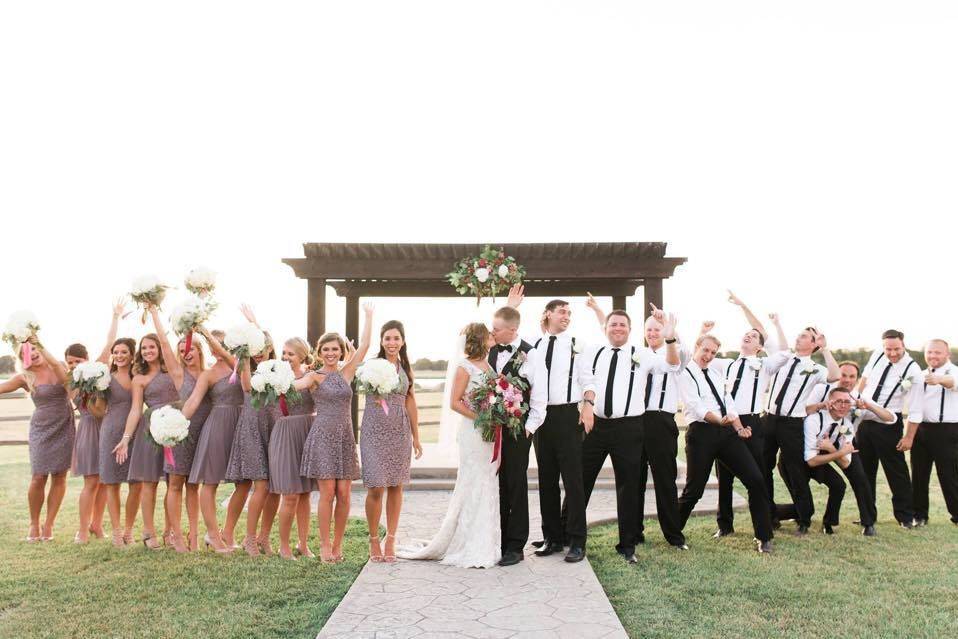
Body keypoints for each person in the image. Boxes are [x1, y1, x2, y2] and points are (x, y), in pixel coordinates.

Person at [585, 295, 689, 549]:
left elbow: (677, 361)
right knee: (634, 480)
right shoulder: (635, 354)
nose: (654, 333)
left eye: (658, 329)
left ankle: (673, 535)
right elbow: (610, 329)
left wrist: (671, 332)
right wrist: (600, 310)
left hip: (660, 421)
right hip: (633, 421)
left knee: (665, 479)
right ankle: (634, 532)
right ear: (642, 333)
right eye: (650, 330)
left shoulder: (669, 353)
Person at [398, 323, 503, 568]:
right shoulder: (464, 366)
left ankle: (485, 542)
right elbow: (455, 403)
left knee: (487, 480)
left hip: (488, 432)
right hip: (474, 431)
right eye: (489, 334)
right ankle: (469, 544)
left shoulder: (487, 364)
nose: (493, 336)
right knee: (473, 480)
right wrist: (482, 417)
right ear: (480, 339)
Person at [507, 288, 590, 563]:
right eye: (562, 311)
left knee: (573, 482)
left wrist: (588, 404)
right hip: (541, 417)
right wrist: (512, 306)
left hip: (569, 416)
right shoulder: (534, 344)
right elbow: (510, 335)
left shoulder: (577, 344)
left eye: (569, 313)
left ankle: (577, 540)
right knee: (546, 480)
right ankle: (552, 537)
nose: (566, 316)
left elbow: (589, 381)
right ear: (548, 315)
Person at [676, 334, 773, 553]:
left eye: (713, 353)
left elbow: (728, 402)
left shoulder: (716, 373)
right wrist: (720, 421)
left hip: (727, 432)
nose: (709, 356)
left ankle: (764, 537)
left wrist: (739, 428)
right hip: (701, 433)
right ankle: (673, 531)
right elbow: (696, 406)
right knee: (694, 490)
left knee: (756, 479)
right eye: (706, 350)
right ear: (697, 347)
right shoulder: (686, 373)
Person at [707, 291, 786, 538]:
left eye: (753, 337)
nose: (748, 336)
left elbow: (778, 346)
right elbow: (699, 355)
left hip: (751, 422)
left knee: (757, 477)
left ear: (760, 347)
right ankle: (725, 525)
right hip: (726, 423)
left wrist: (743, 306)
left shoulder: (765, 365)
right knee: (725, 479)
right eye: (746, 335)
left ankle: (762, 528)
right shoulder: (724, 364)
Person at [301, 303, 374, 562]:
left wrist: (368, 316)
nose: (331, 353)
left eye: (335, 349)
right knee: (328, 493)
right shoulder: (314, 377)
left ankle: (338, 546)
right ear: (319, 352)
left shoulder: (346, 374)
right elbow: (294, 385)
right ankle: (323, 545)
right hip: (322, 437)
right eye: (326, 349)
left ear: (341, 352)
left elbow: (364, 345)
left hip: (344, 437)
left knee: (344, 494)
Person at [763, 326, 839, 534]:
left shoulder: (815, 368)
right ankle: (769, 516)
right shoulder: (783, 358)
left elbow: (835, 376)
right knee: (763, 468)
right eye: (799, 334)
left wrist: (825, 349)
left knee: (796, 470)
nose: (799, 337)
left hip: (792, 424)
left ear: (814, 343)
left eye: (805, 336)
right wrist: (777, 323)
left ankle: (804, 518)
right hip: (769, 419)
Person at [359, 321, 423, 563]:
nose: (392, 343)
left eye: (396, 338)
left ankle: (392, 539)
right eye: (388, 338)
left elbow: (410, 401)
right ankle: (374, 538)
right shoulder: (370, 366)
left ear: (403, 341)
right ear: (381, 341)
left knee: (396, 485)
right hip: (374, 430)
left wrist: (416, 436)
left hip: (399, 431)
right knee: (376, 486)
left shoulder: (406, 367)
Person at [488, 305, 547, 566]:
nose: (492, 332)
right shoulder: (488, 348)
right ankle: (495, 539)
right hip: (488, 427)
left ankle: (515, 545)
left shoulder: (531, 355)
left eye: (497, 329)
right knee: (492, 484)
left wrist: (529, 427)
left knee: (515, 483)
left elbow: (540, 395)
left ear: (512, 330)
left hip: (517, 428)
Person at [0, 336, 72, 542]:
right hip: (41, 429)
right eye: (27, 351)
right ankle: (34, 524)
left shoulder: (59, 367)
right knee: (38, 476)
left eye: (34, 348)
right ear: (22, 356)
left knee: (60, 476)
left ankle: (48, 525)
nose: (32, 353)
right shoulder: (25, 377)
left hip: (64, 426)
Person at [855, 330, 924, 528]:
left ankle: (905, 517)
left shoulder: (913, 371)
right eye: (888, 349)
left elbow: (916, 408)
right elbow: (865, 378)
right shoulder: (877, 354)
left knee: (896, 472)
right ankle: (867, 515)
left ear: (904, 345)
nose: (892, 353)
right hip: (864, 420)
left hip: (889, 423)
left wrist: (909, 437)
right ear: (883, 346)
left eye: (896, 349)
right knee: (864, 471)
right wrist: (854, 400)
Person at [804, 386, 893, 536]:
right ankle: (799, 515)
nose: (843, 405)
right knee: (803, 481)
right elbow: (803, 411)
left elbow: (891, 418)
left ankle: (867, 523)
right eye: (839, 401)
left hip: (840, 445)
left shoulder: (855, 409)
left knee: (859, 478)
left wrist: (833, 449)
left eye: (852, 376)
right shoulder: (820, 390)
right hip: (812, 446)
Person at [901, 339, 958, 527]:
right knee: (918, 474)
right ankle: (920, 515)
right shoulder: (919, 375)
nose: (933, 356)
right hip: (920, 428)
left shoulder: (954, 371)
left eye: (937, 353)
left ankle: (956, 515)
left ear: (947, 354)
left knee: (949, 475)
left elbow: (952, 382)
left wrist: (939, 379)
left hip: (947, 430)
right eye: (930, 352)